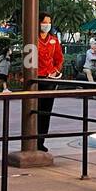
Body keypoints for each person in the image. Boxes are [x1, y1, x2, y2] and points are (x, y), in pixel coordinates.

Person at [35, 14, 64, 152]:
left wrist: (56, 71)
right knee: (34, 112)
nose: (47, 25)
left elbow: (59, 58)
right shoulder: (32, 40)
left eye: (49, 22)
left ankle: (41, 141)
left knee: (46, 113)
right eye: (44, 22)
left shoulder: (53, 40)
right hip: (37, 79)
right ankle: (32, 140)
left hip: (50, 80)